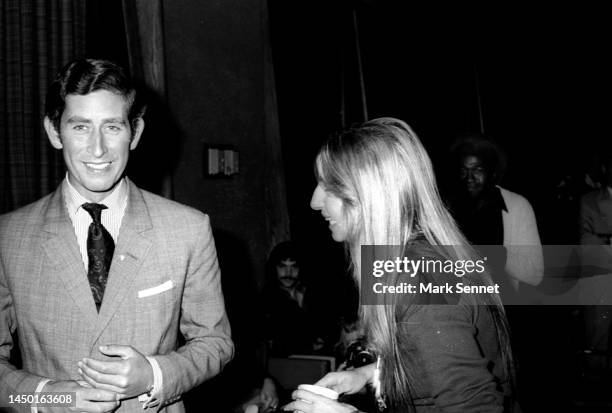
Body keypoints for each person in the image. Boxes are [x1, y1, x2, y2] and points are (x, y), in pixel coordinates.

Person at [0, 59, 233, 412]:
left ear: (135, 132)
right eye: (80, 127)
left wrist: (155, 374)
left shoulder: (187, 228)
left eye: (112, 127)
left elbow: (216, 342)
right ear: (53, 132)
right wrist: (49, 398)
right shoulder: (8, 236)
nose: (98, 149)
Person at [285, 118, 514, 412]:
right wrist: (367, 375)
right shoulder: (404, 259)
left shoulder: (421, 279)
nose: (315, 202)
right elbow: (425, 359)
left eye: (330, 185)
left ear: (368, 194)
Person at [448, 135, 543, 292]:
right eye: (463, 170)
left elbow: (535, 274)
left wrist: (496, 255)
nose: (469, 178)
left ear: (492, 173)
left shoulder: (517, 206)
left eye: (478, 170)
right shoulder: (447, 208)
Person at [262, 241, 328, 356]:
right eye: (282, 266)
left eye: (294, 266)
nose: (288, 272)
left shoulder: (313, 294)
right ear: (274, 268)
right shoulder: (266, 299)